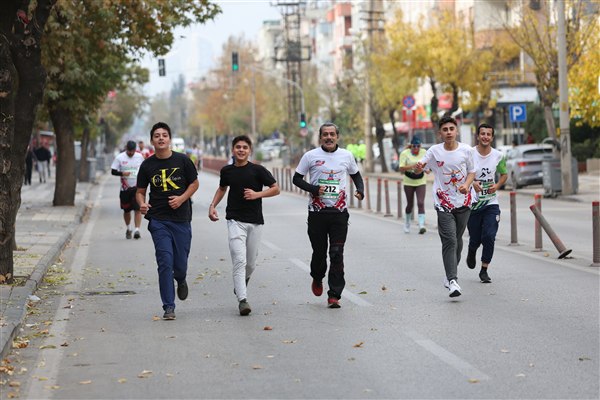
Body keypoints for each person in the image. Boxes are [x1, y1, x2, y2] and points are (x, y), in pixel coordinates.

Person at [293, 122, 365, 308]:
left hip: (339, 213)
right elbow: (296, 179)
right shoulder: (310, 156)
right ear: (320, 137)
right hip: (317, 213)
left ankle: (334, 295)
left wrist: (360, 190)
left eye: (332, 134)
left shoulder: (346, 155)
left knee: (336, 253)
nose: (329, 137)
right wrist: (314, 189)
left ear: (337, 136)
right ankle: (317, 277)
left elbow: (356, 175)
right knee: (319, 253)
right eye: (325, 134)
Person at [208, 135, 280, 316]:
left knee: (251, 263)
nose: (241, 150)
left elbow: (276, 189)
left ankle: (242, 282)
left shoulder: (258, 170)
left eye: (245, 147)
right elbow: (222, 188)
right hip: (235, 220)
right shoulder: (227, 171)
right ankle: (242, 300)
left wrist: (257, 195)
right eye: (238, 147)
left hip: (255, 221)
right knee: (239, 261)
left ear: (250, 151)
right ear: (233, 150)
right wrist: (212, 205)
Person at [136, 122, 199, 320]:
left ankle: (181, 278)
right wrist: (142, 204)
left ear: (169, 139)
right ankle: (168, 306)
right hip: (158, 219)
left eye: (164, 135)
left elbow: (194, 183)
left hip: (181, 219)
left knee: (180, 264)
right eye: (157, 135)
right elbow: (140, 191)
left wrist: (181, 198)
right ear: (152, 140)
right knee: (165, 262)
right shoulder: (147, 165)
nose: (161, 138)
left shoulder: (183, 160)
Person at [415, 115, 475, 298]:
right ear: (439, 133)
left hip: (464, 202)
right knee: (450, 240)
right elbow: (422, 166)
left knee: (457, 239)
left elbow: (472, 172)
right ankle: (453, 281)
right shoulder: (434, 151)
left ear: (456, 131)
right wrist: (418, 167)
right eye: (445, 130)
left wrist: (466, 185)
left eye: (451, 129)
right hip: (443, 203)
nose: (449, 132)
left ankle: (450, 274)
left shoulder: (466, 150)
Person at [466, 123, 508, 283]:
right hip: (473, 203)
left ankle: (484, 269)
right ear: (478, 136)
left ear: (492, 137)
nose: (485, 137)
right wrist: (472, 183)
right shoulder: (469, 153)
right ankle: (472, 250)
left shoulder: (498, 155)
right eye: (482, 134)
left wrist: (497, 186)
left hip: (491, 202)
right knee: (475, 238)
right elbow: (460, 173)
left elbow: (504, 174)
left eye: (488, 134)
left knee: (489, 236)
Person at [111, 140, 145, 240]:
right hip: (125, 189)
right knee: (127, 210)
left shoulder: (139, 157)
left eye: (132, 151)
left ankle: (137, 230)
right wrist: (122, 173)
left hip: (137, 188)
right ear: (126, 149)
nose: (131, 153)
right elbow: (113, 171)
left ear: (135, 149)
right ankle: (129, 228)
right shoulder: (120, 158)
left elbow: (144, 169)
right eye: (129, 151)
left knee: (138, 209)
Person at [399, 136, 428, 234]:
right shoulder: (405, 153)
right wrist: (413, 166)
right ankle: (407, 223)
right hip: (409, 181)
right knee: (410, 204)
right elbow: (401, 168)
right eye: (414, 146)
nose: (416, 148)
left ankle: (421, 225)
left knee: (420, 203)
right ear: (410, 146)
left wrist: (426, 169)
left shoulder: (424, 152)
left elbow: (427, 164)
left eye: (418, 146)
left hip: (421, 181)